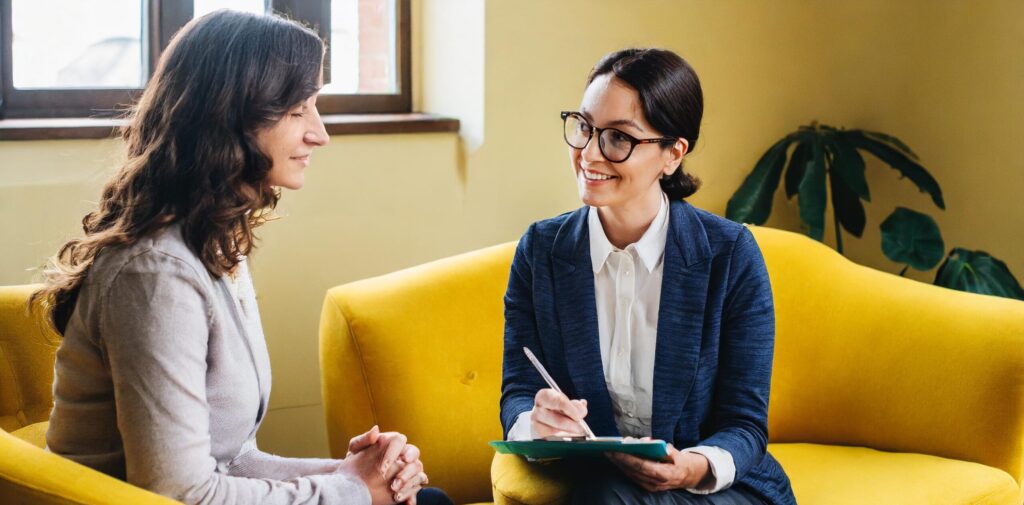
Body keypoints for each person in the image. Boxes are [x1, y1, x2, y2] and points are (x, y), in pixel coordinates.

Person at [33, 10, 451, 505]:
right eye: (298, 110)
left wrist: (358, 472)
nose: (320, 133)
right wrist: (352, 490)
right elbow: (182, 494)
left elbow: (230, 459)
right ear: (232, 117)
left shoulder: (214, 241)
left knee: (427, 499)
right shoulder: (155, 274)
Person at [499, 48, 797, 505]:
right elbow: (519, 391)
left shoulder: (730, 256)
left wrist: (691, 467)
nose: (589, 153)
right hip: (605, 489)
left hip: (718, 491)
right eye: (584, 127)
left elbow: (745, 424)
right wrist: (535, 423)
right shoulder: (541, 252)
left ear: (673, 154)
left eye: (618, 138)